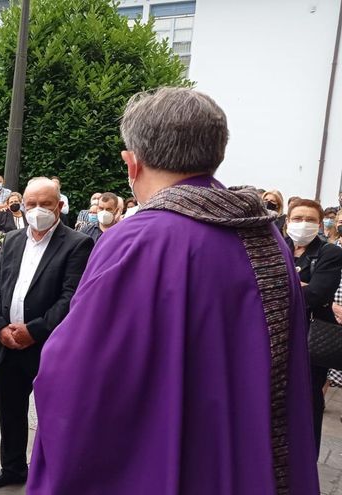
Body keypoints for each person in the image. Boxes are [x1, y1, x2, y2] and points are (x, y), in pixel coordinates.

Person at [27, 87, 320, 494]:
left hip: (170, 463)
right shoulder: (268, 236)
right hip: (250, 458)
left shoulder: (138, 240)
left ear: (133, 164)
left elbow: (79, 377)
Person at [0, 178, 93, 489]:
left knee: (54, 416)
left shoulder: (77, 244)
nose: (38, 210)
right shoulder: (13, 240)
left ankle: (54, 475)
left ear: (59, 206)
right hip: (6, 344)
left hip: (48, 348)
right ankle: (13, 469)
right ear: (22, 205)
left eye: (45, 204)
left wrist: (34, 330)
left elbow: (71, 298)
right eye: (31, 204)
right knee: (10, 411)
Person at [284, 198, 342, 453]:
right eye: (297, 219)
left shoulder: (330, 253)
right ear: (287, 222)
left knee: (307, 400)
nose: (303, 224)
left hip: (310, 338)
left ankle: (306, 457)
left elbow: (317, 294)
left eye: (310, 219)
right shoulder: (278, 247)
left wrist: (280, 286)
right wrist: (300, 285)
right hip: (275, 336)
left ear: (319, 224)